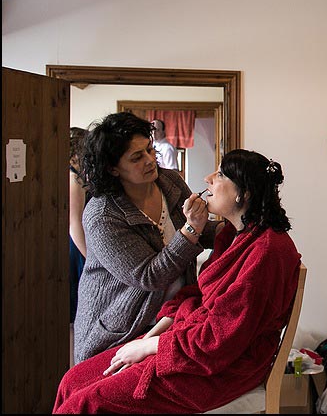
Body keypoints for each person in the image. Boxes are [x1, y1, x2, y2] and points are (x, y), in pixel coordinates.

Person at [53, 150, 300, 414]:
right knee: (72, 380)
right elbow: (198, 294)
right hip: (189, 340)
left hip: (223, 365)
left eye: (219, 174)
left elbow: (220, 341)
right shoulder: (231, 234)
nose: (208, 179)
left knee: (87, 402)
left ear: (244, 193)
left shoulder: (267, 253)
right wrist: (152, 334)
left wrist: (149, 347)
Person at [72, 112, 215, 364]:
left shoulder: (169, 180)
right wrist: (191, 229)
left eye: (150, 150)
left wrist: (240, 227)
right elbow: (150, 276)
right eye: (137, 157)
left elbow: (199, 229)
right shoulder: (103, 215)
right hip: (123, 328)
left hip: (170, 318)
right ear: (112, 168)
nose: (150, 160)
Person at [68, 127, 89, 325]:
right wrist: (89, 257)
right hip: (77, 244)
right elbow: (74, 222)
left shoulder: (78, 176)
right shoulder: (74, 179)